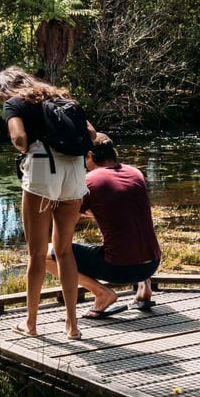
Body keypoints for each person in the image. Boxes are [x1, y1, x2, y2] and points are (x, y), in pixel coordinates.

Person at [0, 66, 94, 340]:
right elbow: (92, 136)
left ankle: (31, 323)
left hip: (42, 170)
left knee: (37, 253)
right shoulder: (62, 97)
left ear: (4, 89)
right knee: (64, 250)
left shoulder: (15, 103)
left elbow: (19, 138)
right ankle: (72, 326)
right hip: (74, 172)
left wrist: (28, 152)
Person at [47, 134, 161, 319]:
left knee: (48, 254)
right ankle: (144, 289)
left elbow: (67, 221)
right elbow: (120, 208)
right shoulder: (135, 173)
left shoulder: (90, 180)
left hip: (119, 269)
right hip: (151, 264)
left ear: (90, 156)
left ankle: (102, 294)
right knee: (135, 226)